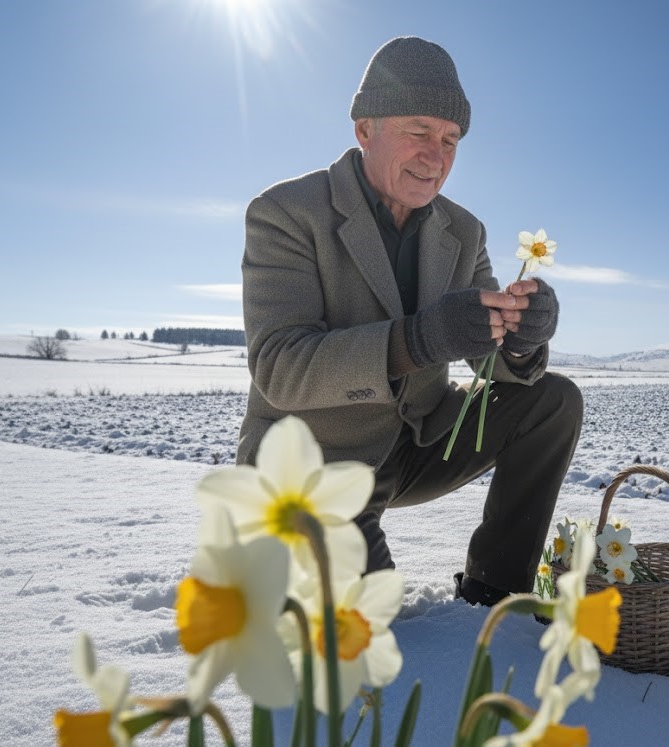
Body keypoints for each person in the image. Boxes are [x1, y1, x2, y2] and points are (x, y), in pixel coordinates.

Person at [237, 36, 583, 606]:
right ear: (364, 129)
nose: (437, 156)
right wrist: (418, 340)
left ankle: (495, 589)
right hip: (310, 463)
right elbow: (280, 367)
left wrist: (521, 338)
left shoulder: (463, 231)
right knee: (368, 626)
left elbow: (485, 352)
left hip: (417, 443)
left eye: (451, 140)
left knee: (553, 399)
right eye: (418, 132)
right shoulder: (286, 212)